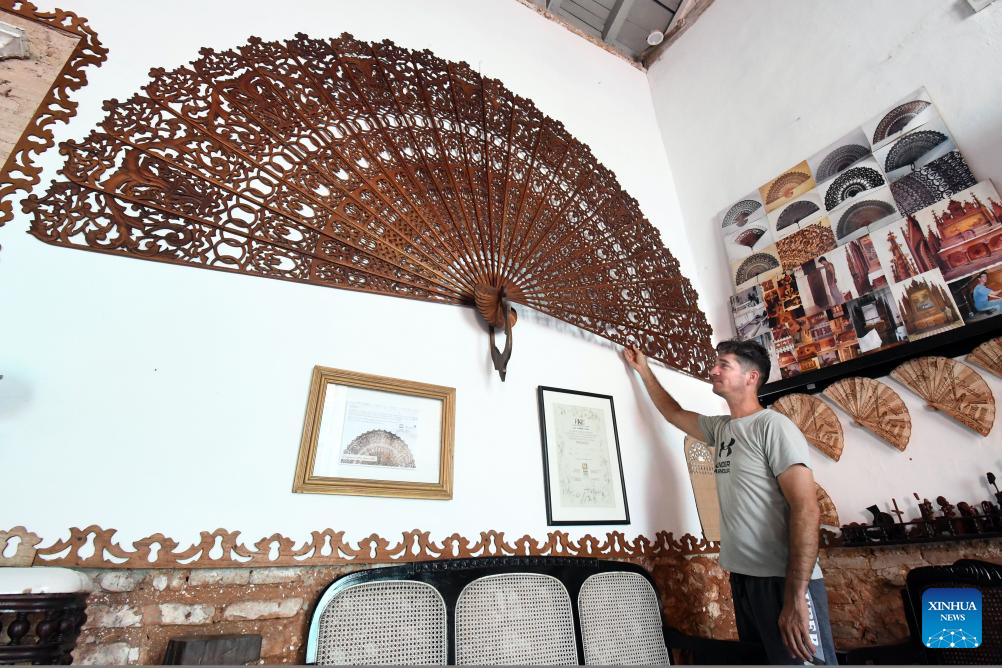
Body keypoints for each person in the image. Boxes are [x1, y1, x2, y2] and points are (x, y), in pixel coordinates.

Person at [624, 339, 836, 665]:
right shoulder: (721, 429)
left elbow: (806, 509)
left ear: (751, 377)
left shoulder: (773, 426)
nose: (714, 370)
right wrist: (644, 370)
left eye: (724, 365)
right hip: (744, 580)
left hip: (785, 581)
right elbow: (674, 413)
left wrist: (796, 595)